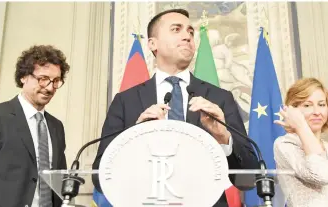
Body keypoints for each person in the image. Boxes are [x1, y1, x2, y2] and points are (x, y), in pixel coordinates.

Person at [92, 9, 259, 207]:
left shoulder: (219, 98)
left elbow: (248, 179)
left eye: (190, 32)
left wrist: (224, 138)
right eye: (176, 29)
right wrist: (134, 137)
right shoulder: (126, 101)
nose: (187, 36)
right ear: (153, 44)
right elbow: (100, 177)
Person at [0, 45, 70, 207]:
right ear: (23, 77)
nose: (50, 88)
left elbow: (59, 179)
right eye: (43, 79)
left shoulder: (56, 127)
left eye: (56, 81)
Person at [273, 78, 328, 207]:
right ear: (293, 110)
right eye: (307, 105)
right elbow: (322, 175)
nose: (317, 112)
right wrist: (300, 127)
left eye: (321, 104)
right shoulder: (285, 144)